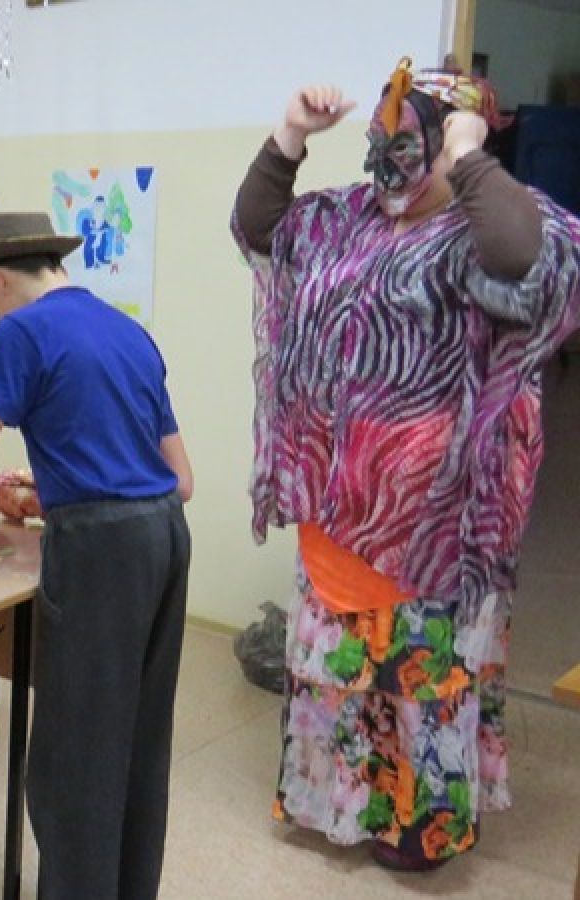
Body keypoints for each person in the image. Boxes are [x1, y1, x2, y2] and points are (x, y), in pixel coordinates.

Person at [232, 59, 580, 871]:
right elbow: (260, 226)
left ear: (453, 140)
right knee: (340, 668)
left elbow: (527, 257)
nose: (385, 168)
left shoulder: (484, 224)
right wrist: (290, 135)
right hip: (336, 503)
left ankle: (415, 828)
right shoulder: (344, 218)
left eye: (407, 149)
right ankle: (337, 802)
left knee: (416, 672)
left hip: (435, 525)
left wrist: (468, 156)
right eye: (376, 148)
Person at [0, 212, 193, 900]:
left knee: (77, 754)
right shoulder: (128, 332)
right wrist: (53, 496)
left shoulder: (19, 333)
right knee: (140, 739)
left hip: (101, 555)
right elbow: (180, 480)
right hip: (165, 540)